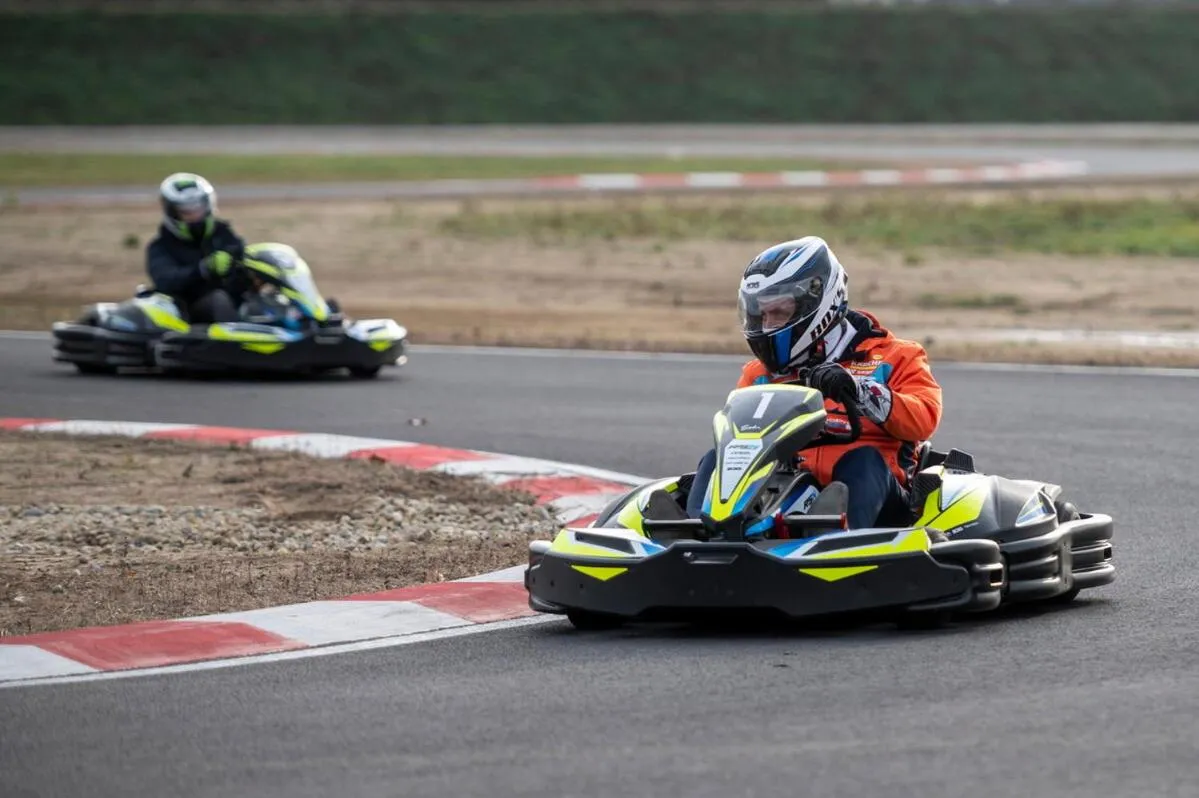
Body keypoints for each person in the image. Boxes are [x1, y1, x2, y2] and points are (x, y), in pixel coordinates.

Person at [684, 236, 943, 530]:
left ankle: (840, 539)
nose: (768, 326)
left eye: (780, 312)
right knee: (716, 458)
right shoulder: (758, 375)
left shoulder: (895, 356)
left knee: (863, 460)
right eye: (762, 314)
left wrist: (861, 391)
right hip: (787, 490)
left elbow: (924, 419)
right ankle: (701, 532)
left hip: (880, 502)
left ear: (817, 301)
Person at [145, 172, 247, 323]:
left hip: (233, 302)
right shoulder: (160, 247)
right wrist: (204, 269)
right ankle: (238, 343)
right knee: (218, 300)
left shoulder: (223, 234)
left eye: (199, 208)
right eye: (187, 211)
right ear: (172, 212)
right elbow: (166, 280)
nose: (195, 215)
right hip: (189, 314)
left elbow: (241, 255)